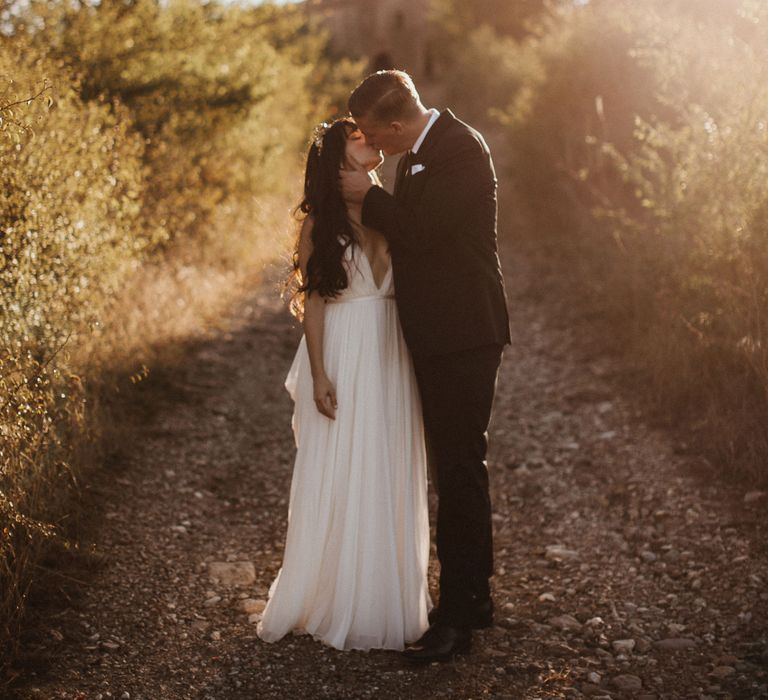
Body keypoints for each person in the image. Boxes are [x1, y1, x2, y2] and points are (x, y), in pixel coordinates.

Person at [340, 70, 511, 663]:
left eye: (369, 132)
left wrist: (365, 196)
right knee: (455, 465)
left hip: (464, 332)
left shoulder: (460, 148)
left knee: (459, 469)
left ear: (393, 123)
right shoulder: (413, 154)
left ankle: (456, 618)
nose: (369, 143)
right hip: (436, 333)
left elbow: (425, 233)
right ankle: (476, 596)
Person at [256, 117, 433, 651]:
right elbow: (313, 304)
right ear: (337, 160)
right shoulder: (319, 225)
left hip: (393, 351)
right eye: (358, 138)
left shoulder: (390, 206)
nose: (371, 141)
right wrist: (318, 373)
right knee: (343, 464)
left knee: (389, 463)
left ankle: (387, 597)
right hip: (346, 349)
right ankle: (335, 595)